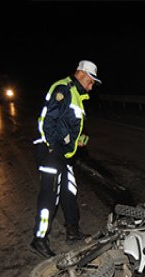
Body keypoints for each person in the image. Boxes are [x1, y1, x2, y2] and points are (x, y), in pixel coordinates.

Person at [29, 60, 102, 258]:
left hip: (64, 153)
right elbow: (47, 120)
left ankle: (73, 231)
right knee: (49, 197)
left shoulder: (77, 95)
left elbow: (67, 126)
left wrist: (78, 140)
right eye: (91, 80)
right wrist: (53, 147)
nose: (92, 85)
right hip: (50, 151)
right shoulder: (63, 89)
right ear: (81, 74)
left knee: (69, 191)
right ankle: (39, 239)